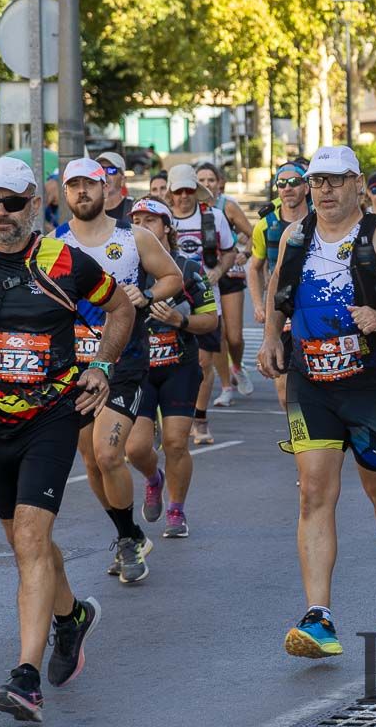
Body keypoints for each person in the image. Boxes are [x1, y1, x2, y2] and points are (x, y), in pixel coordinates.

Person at [0, 156, 135, 723]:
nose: (2, 214)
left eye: (13, 203)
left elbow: (119, 308)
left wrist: (103, 367)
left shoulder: (66, 261)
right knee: (23, 543)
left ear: (36, 203)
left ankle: (25, 678)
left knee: (33, 539)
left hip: (52, 416)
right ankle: (71, 619)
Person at [256, 145, 376, 658]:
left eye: (335, 181)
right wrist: (272, 338)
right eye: (316, 181)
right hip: (311, 381)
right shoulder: (296, 238)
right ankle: (319, 616)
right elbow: (279, 289)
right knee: (313, 493)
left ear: (357, 184)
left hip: (372, 385)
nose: (324, 189)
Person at [54, 158, 183, 584]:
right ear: (65, 193)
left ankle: (128, 543)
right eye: (73, 186)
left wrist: (143, 294)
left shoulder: (134, 237)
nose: (82, 193)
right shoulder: (54, 244)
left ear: (106, 189)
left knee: (110, 453)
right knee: (91, 460)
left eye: (89, 185)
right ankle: (128, 534)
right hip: (75, 367)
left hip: (125, 362)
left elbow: (172, 277)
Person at [124, 197, 219, 539]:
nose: (142, 226)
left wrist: (180, 320)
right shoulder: (124, 269)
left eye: (150, 220)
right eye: (135, 220)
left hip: (179, 367)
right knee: (135, 448)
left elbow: (210, 321)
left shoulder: (188, 269)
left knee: (177, 443)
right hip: (138, 370)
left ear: (167, 227)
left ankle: (176, 510)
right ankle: (153, 478)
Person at [166, 164, 236, 445]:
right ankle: (168, 418)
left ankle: (200, 419)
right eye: (178, 191)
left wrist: (218, 272)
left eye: (188, 190)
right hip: (168, 301)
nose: (184, 196)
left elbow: (230, 252)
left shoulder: (214, 217)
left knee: (204, 362)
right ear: (170, 193)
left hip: (206, 301)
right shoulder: (162, 219)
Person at [248, 163, 310, 411]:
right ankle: (299, 440)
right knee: (284, 391)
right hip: (281, 308)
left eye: (294, 182)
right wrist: (258, 304)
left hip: (313, 305)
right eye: (281, 184)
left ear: (306, 187)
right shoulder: (266, 225)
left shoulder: (320, 219)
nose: (287, 188)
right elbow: (254, 267)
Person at [198, 162, 256, 407]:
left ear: (219, 183)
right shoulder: (191, 209)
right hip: (205, 278)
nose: (207, 184)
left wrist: (245, 253)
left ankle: (237, 366)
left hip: (229, 274)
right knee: (218, 334)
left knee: (234, 336)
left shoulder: (227, 206)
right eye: (202, 180)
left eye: (211, 179)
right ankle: (225, 386)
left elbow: (254, 234)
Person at [96, 151, 133, 221]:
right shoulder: (89, 209)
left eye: (111, 170)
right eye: (100, 169)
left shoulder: (133, 209)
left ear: (123, 180)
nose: (104, 173)